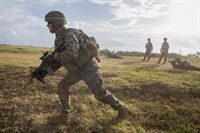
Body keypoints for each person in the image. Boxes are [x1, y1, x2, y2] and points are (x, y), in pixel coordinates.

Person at [44, 11, 129, 124]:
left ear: (57, 22)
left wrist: (55, 56)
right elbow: (63, 58)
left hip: (89, 66)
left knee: (99, 93)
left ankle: (121, 108)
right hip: (78, 69)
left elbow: (71, 54)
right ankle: (65, 116)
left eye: (49, 23)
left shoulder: (69, 34)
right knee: (62, 86)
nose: (47, 25)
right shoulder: (58, 38)